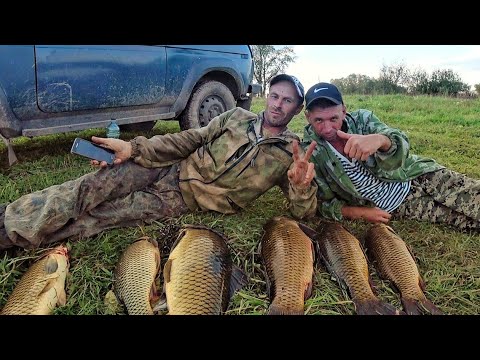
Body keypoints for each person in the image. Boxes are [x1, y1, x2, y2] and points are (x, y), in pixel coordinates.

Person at [0, 74, 318, 250]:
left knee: (104, 216)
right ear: (268, 96)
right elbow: (187, 140)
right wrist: (134, 148)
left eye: (287, 100)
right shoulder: (235, 117)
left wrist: (301, 187)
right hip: (166, 167)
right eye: (275, 96)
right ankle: (11, 220)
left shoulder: (291, 155)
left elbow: (302, 212)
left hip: (179, 199)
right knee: (91, 186)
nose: (278, 104)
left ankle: (19, 237)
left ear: (297, 108)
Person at [301, 82, 480, 232]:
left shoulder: (363, 119)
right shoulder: (308, 155)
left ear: (344, 110)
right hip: (398, 206)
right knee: (465, 222)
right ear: (308, 117)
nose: (327, 128)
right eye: (318, 120)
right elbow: (320, 205)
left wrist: (382, 140)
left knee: (473, 193)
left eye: (333, 118)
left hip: (417, 174)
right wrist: (356, 212)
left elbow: (400, 142)